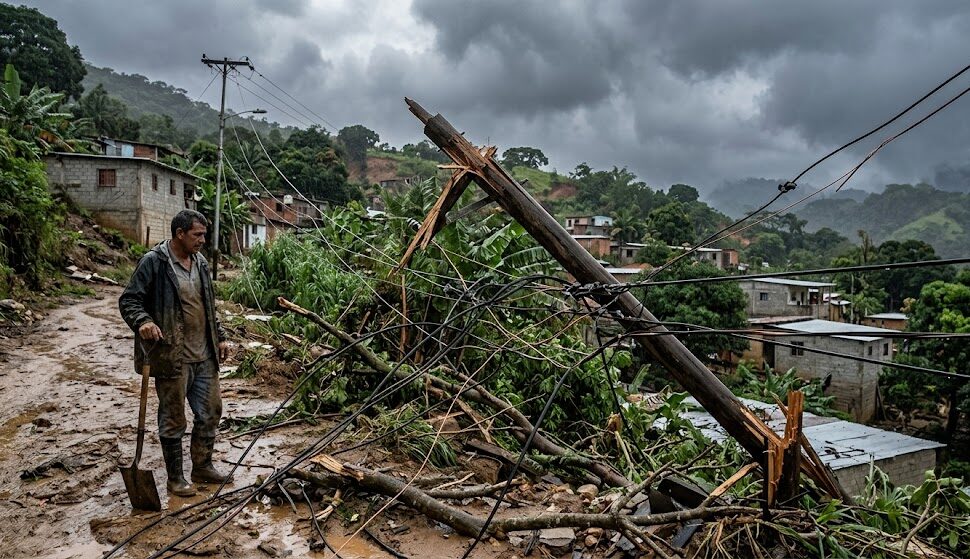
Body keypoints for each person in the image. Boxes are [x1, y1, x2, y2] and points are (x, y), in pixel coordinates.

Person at [119, 209, 231, 497]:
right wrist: (143, 321)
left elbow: (208, 305)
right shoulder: (154, 263)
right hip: (172, 356)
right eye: (197, 234)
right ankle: (176, 478)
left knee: (211, 412)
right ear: (179, 234)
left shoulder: (201, 263)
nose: (203, 240)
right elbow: (130, 300)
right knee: (173, 418)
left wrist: (219, 337)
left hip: (204, 355)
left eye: (204, 234)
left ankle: (202, 466)